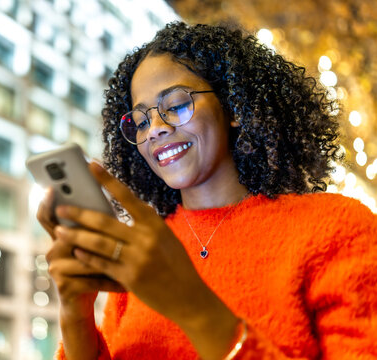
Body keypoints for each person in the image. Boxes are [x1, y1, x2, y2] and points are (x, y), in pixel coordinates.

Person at [37, 22, 377, 359]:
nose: (154, 129)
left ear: (232, 107)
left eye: (176, 105)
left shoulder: (336, 228)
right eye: (141, 121)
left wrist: (193, 306)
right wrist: (76, 313)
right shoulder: (146, 245)